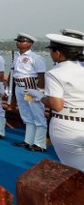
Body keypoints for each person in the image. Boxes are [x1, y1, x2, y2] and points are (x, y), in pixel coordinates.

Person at [27, 33, 84, 171]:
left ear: (58, 53)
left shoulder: (55, 73)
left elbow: (56, 105)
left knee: (75, 172)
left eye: (51, 50)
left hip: (67, 125)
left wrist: (39, 96)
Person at [8, 33, 47, 151]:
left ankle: (40, 144)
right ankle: (28, 141)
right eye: (18, 41)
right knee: (26, 115)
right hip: (19, 87)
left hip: (30, 87)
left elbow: (41, 75)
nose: (18, 43)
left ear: (30, 44)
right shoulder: (17, 56)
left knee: (37, 114)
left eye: (22, 41)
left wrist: (40, 91)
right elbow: (13, 73)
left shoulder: (35, 57)